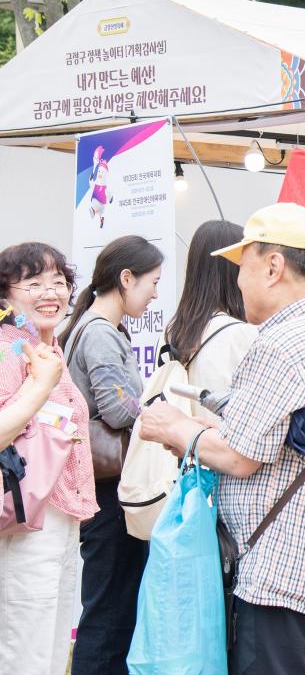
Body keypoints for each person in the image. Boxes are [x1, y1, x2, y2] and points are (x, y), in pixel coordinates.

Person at [139, 203, 305, 675]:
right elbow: (275, 437)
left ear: (274, 266)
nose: (237, 282)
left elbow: (239, 455)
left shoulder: (281, 341)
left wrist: (172, 427)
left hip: (285, 577)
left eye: (243, 267)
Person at [60, 235, 162, 675]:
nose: (155, 293)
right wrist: (158, 409)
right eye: (152, 282)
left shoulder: (94, 326)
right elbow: (117, 408)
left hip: (100, 491)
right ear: (126, 278)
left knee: (111, 608)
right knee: (109, 615)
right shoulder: (100, 332)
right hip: (107, 495)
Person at [0, 244, 97, 675]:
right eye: (34, 282)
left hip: (56, 516)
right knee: (26, 644)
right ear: (5, 295)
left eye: (58, 281)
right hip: (23, 520)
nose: (50, 291)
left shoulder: (46, 347)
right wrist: (39, 386)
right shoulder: (7, 350)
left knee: (53, 642)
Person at [162, 220, 258, 419]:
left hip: (174, 446)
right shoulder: (241, 334)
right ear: (233, 270)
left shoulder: (170, 332)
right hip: (217, 447)